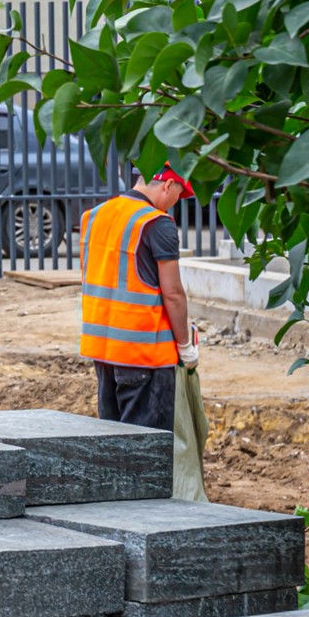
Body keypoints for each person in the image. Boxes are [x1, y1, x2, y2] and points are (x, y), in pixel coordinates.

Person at [79, 167, 196, 432]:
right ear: (167, 185)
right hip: (144, 355)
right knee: (146, 453)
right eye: (178, 193)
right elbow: (173, 294)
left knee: (115, 447)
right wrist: (185, 345)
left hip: (103, 353)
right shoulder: (156, 222)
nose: (175, 203)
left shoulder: (94, 216)